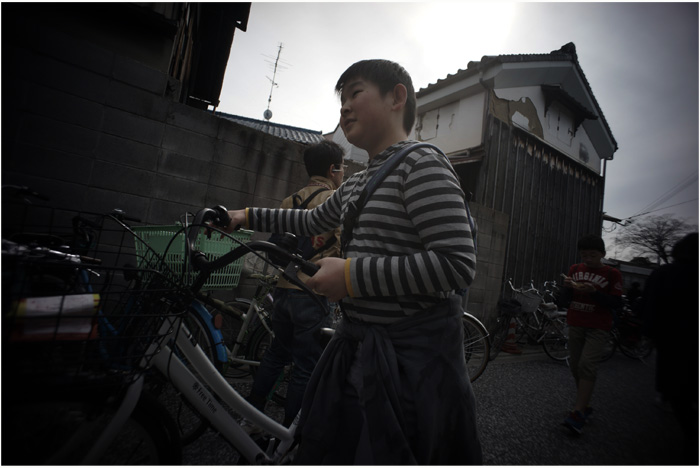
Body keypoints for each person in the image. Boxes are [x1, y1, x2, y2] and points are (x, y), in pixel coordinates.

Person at [223, 59, 481, 464]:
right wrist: (245, 216)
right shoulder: (359, 179)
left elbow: (456, 263)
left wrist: (353, 276)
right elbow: (311, 220)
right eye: (340, 100)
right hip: (359, 345)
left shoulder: (422, 162)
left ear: (397, 97)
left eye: (355, 93)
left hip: (407, 366)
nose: (344, 108)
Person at [246, 140, 344, 428]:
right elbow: (341, 246)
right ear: (332, 169)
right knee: (305, 366)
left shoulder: (291, 201)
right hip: (312, 294)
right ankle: (291, 435)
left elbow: (276, 246)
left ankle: (251, 417)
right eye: (343, 169)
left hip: (283, 291)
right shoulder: (333, 201)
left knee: (276, 355)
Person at [641, 232, 698, 464]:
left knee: (679, 392)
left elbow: (649, 306)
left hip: (672, 342)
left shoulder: (663, 274)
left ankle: (692, 437)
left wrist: (649, 335)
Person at [560, 234, 623, 434]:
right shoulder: (575, 270)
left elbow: (616, 304)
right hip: (576, 322)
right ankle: (584, 405)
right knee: (576, 367)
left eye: (592, 255)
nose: (587, 259)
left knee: (587, 365)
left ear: (603, 254)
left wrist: (594, 292)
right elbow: (564, 301)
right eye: (584, 255)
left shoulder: (612, 274)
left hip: (598, 326)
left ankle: (577, 412)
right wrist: (567, 288)